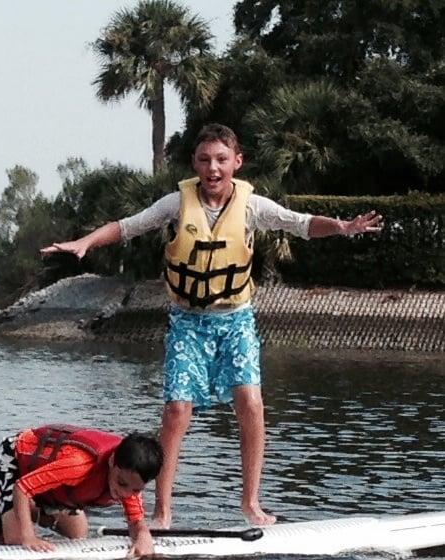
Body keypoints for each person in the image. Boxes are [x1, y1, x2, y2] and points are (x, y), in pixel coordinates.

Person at [42, 123, 383, 529]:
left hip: (236, 320)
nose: (213, 168)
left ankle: (251, 504)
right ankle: (162, 512)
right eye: (205, 160)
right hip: (187, 322)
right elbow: (129, 225)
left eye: (222, 160)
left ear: (236, 162)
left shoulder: (253, 206)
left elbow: (301, 223)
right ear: (195, 164)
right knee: (176, 411)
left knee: (251, 404)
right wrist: (85, 243)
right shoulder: (176, 203)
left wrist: (342, 227)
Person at [0, 424, 163, 557]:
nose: (125, 494)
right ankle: (0, 505)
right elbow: (22, 488)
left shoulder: (129, 481)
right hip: (15, 458)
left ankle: (20, 508)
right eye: (121, 484)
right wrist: (29, 537)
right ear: (112, 461)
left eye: (136, 490)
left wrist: (143, 537)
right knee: (17, 541)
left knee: (78, 534)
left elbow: (136, 523)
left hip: (47, 484)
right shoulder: (79, 465)